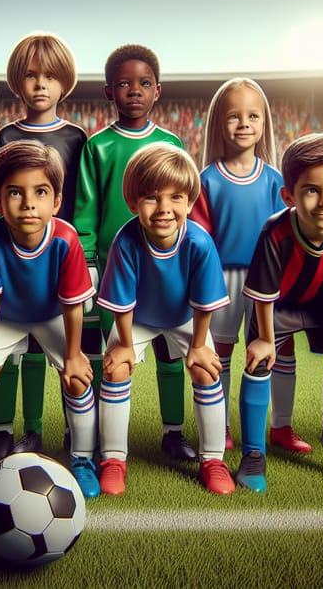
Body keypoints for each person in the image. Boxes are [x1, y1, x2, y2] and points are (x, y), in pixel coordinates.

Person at [0, 140, 99, 498]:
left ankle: (82, 460)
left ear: (57, 201)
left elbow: (72, 304)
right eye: (16, 192)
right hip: (7, 317)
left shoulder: (66, 239)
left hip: (52, 316)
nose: (29, 202)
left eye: (41, 192)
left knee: (78, 380)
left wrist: (75, 355)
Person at [74, 44, 196, 462]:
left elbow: (182, 201)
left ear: (157, 90)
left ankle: (173, 430)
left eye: (144, 83)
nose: (134, 91)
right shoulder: (98, 146)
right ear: (110, 92)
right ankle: (97, 438)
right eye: (124, 84)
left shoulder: (171, 142)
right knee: (112, 354)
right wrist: (88, 260)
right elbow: (86, 207)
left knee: (169, 350)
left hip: (165, 267)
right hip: (113, 272)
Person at [0, 32, 100, 462]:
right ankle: (14, 430)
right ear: (17, 81)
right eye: (31, 75)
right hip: (16, 257)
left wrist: (84, 255)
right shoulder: (7, 134)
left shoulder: (75, 137)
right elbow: (1, 197)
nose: (40, 84)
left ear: (64, 82)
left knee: (69, 347)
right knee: (16, 349)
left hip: (62, 258)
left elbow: (83, 201)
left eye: (50, 76)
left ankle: (75, 431)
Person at [236, 133, 323, 493]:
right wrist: (265, 340)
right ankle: (253, 455)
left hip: (322, 304)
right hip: (277, 306)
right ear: (289, 195)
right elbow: (263, 296)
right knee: (257, 361)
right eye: (312, 190)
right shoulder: (275, 232)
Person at [97, 142, 234, 496]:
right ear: (133, 203)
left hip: (184, 317)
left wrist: (200, 345)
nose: (164, 208)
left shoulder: (199, 243)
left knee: (206, 369)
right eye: (152, 197)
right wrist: (125, 345)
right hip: (137, 319)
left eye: (176, 198)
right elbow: (121, 303)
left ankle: (213, 460)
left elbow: (204, 303)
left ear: (190, 202)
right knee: (115, 368)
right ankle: (113, 459)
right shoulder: (126, 240)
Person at [189, 79, 304, 453]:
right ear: (218, 124)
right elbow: (200, 239)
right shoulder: (207, 179)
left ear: (265, 122)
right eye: (234, 116)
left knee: (279, 349)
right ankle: (219, 425)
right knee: (219, 354)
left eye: (252, 115)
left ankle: (281, 426)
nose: (244, 124)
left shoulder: (275, 180)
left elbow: (287, 234)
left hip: (267, 281)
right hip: (221, 278)